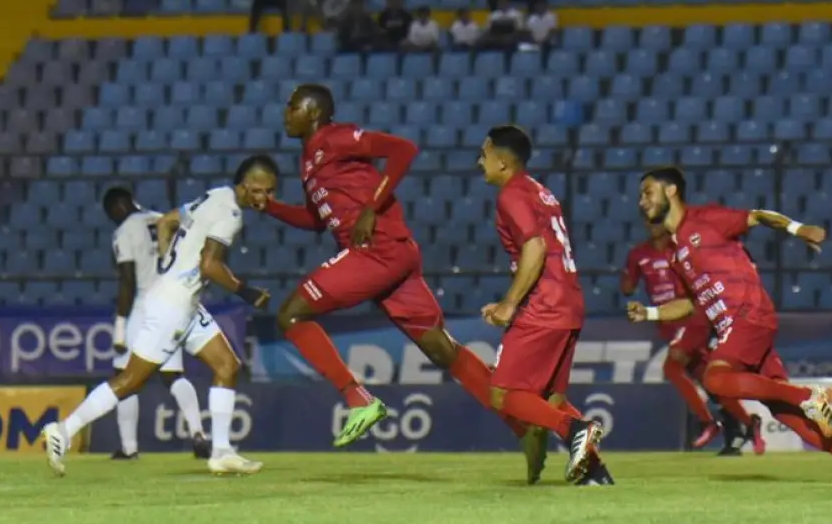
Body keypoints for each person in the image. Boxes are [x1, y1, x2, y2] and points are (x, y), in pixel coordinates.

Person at [261, 85, 542, 465]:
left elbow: (403, 150)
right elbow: (315, 220)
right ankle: (525, 426)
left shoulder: (338, 138)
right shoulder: (309, 159)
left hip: (377, 249)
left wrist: (370, 209)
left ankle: (358, 399)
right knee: (442, 349)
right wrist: (271, 207)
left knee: (291, 314)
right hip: (393, 256)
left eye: (292, 105)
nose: (285, 112)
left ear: (313, 112)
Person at [627, 167, 832, 484]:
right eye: (641, 195)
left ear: (671, 191)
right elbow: (690, 304)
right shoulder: (675, 254)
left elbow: (758, 216)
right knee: (783, 412)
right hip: (735, 327)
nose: (642, 201)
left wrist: (797, 228)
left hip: (748, 314)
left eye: (648, 192)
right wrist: (650, 314)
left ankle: (805, 394)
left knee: (716, 379)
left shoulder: (705, 219)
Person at [42, 157, 279, 477]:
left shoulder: (214, 194)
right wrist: (246, 291)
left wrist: (168, 261)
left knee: (227, 365)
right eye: (259, 190)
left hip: (183, 302)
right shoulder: (230, 214)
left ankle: (221, 451)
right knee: (130, 381)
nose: (265, 198)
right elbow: (210, 265)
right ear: (243, 184)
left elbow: (166, 221)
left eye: (271, 191)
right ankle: (64, 430)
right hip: (173, 307)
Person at [476, 125, 610, 484]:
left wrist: (510, 304)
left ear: (502, 161)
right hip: (568, 299)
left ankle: (576, 430)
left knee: (504, 394)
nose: (479, 161)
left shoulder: (511, 195)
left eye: (484, 154)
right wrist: (509, 300)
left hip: (544, 305)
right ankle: (592, 469)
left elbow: (534, 248)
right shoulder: (541, 192)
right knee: (550, 398)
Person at [622, 221, 765, 456]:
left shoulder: (681, 249)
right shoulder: (639, 254)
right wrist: (627, 278)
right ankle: (749, 423)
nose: (653, 225)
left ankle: (707, 422)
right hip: (668, 322)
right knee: (711, 380)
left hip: (693, 316)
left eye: (658, 221)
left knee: (672, 365)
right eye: (649, 221)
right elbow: (627, 286)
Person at [103, 186, 209, 461]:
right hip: (173, 303)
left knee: (124, 376)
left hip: (143, 306)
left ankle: (129, 448)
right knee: (172, 375)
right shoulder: (164, 218)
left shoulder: (124, 231)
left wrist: (119, 324)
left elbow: (127, 280)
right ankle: (198, 433)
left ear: (118, 207)